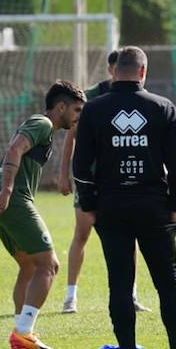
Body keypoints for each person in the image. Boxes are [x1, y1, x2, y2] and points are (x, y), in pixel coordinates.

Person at [72, 46, 176, 349]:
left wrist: (89, 204)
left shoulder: (94, 110)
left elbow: (81, 164)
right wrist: (175, 205)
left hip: (112, 207)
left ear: (114, 71)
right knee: (167, 283)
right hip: (154, 208)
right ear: (144, 72)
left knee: (119, 283)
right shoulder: (163, 107)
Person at [0, 80, 86, 349]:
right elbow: (14, 148)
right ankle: (24, 332)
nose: (79, 116)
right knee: (49, 265)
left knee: (29, 266)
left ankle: (22, 333)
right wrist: (7, 189)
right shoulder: (42, 123)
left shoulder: (46, 130)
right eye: (77, 110)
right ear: (61, 107)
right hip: (13, 200)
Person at [57, 49, 150, 314]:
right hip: (90, 179)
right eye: (116, 68)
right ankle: (70, 296)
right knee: (82, 233)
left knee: (129, 236)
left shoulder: (133, 95)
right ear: (111, 70)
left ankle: (131, 295)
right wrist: (64, 174)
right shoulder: (89, 98)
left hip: (119, 180)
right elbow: (71, 136)